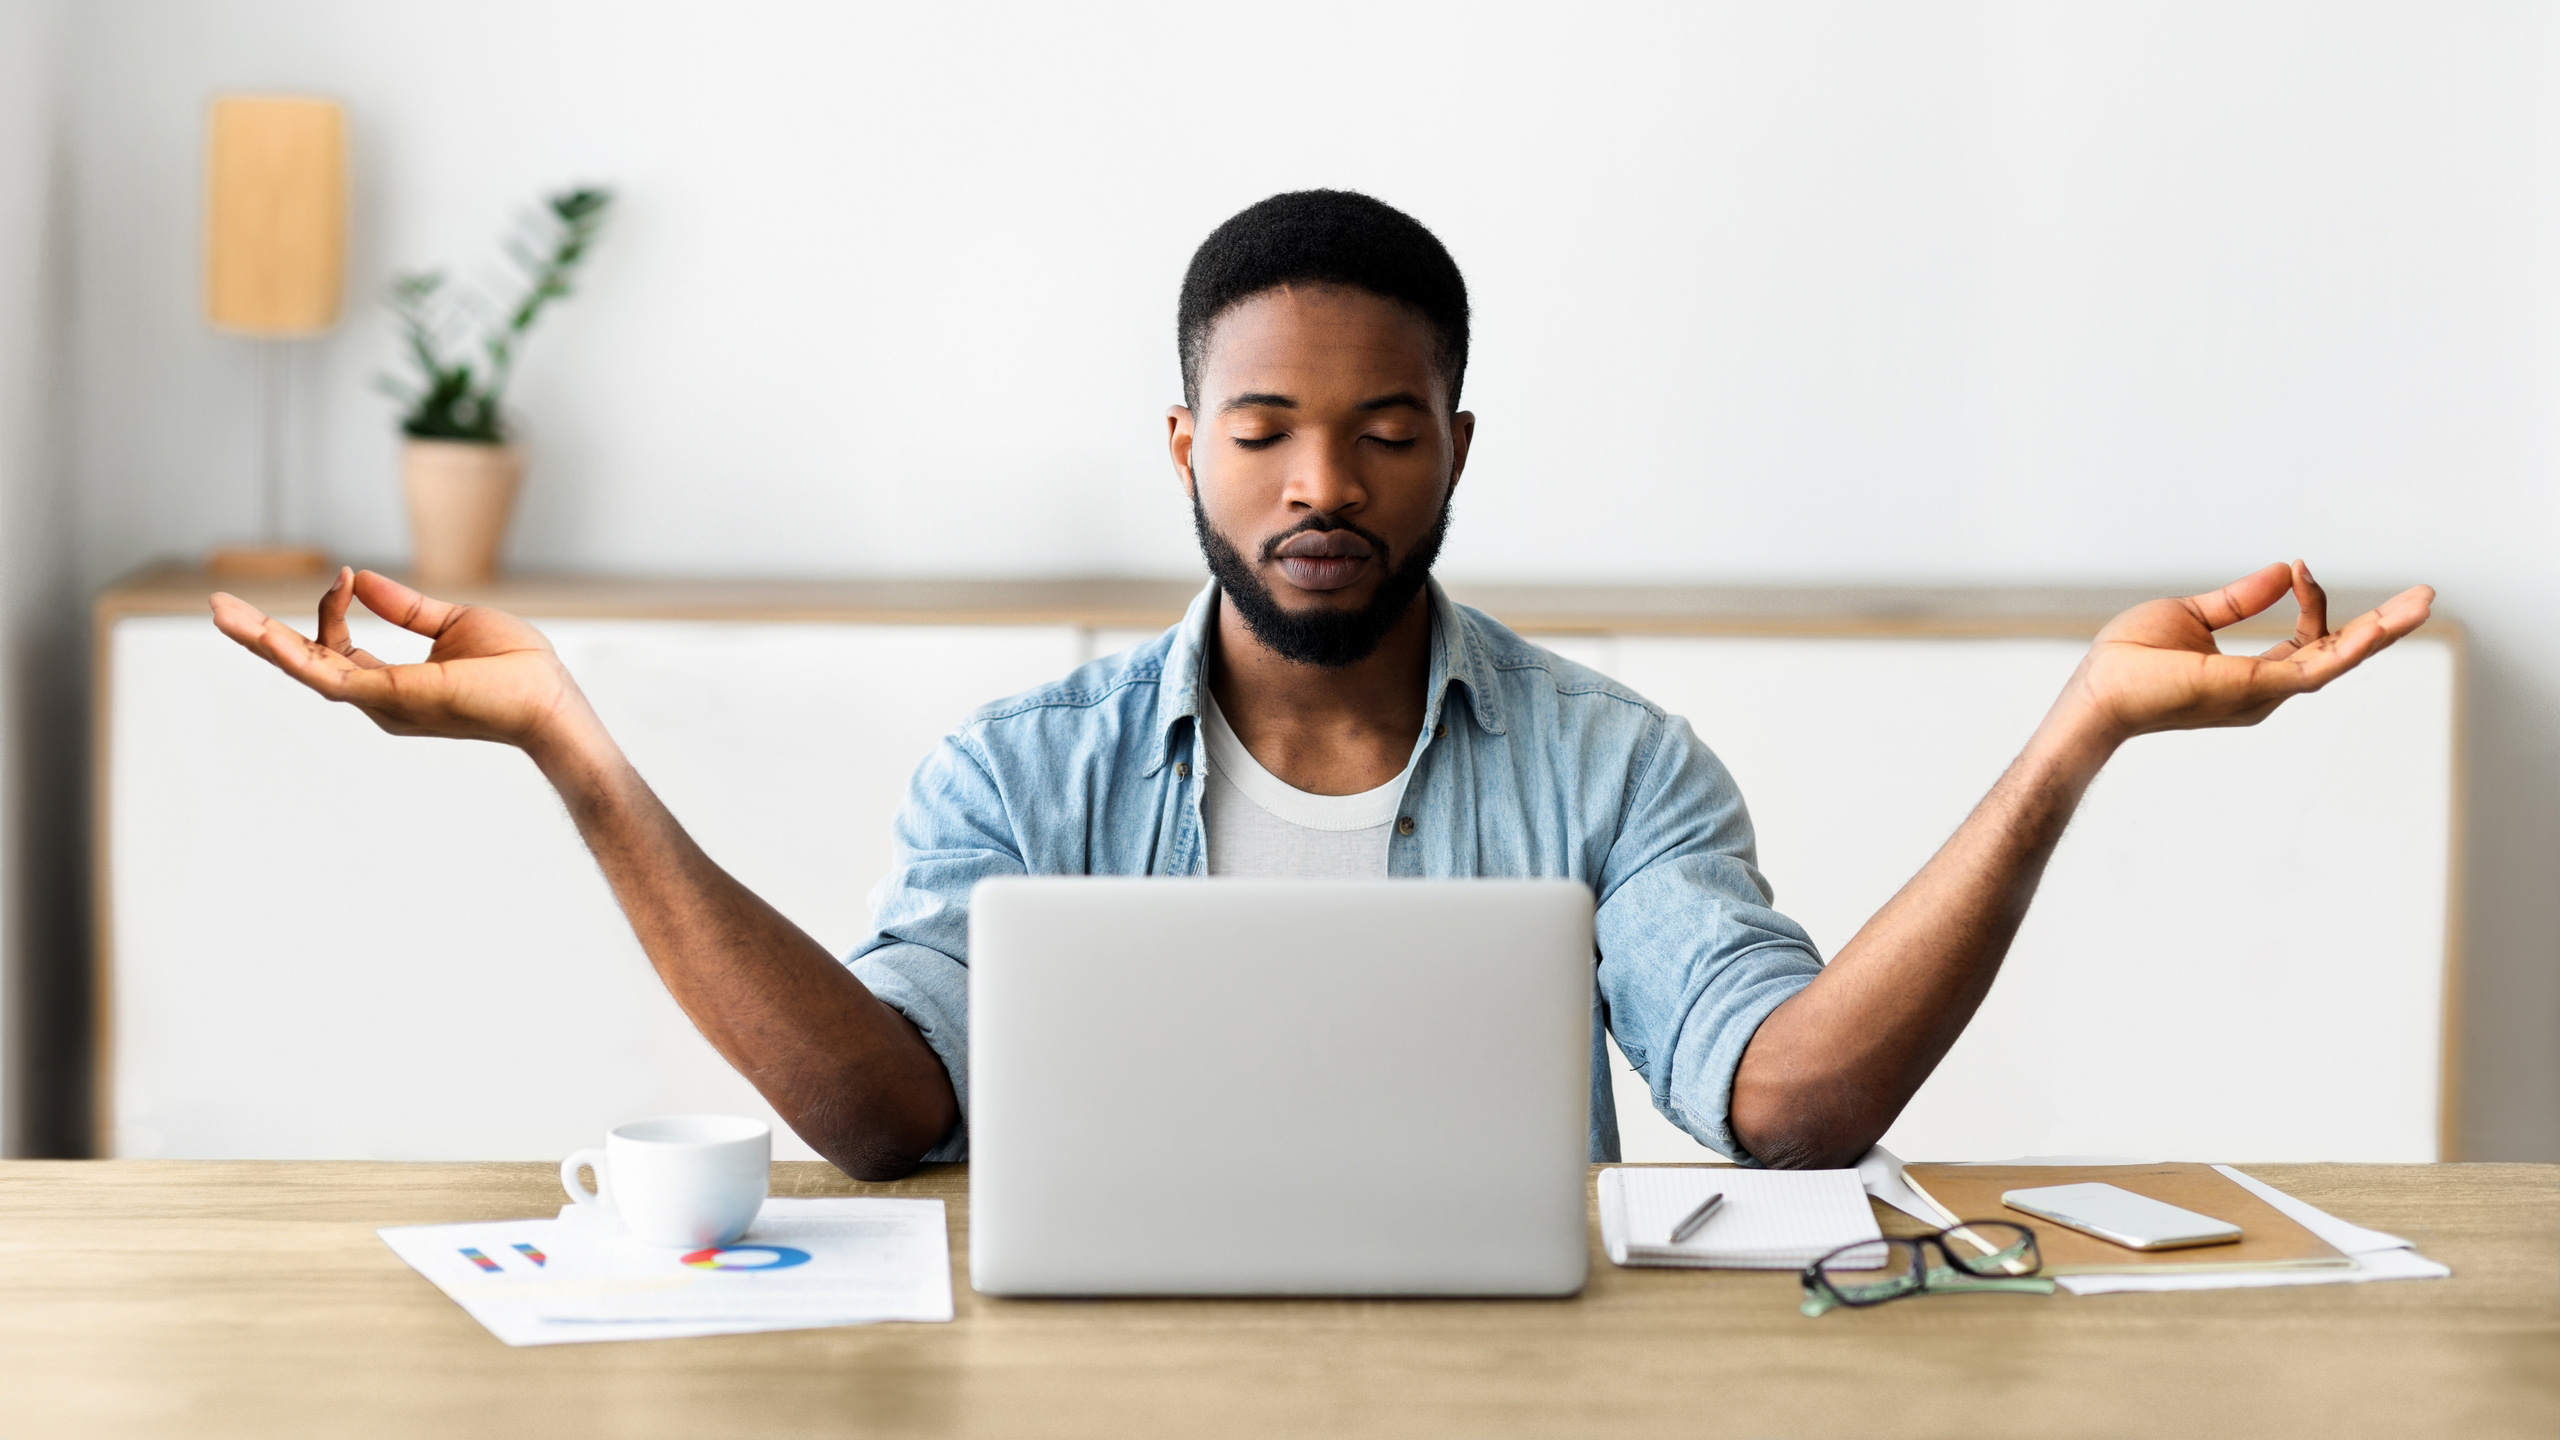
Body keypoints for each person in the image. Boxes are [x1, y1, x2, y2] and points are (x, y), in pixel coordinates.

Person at [210, 190, 2434, 1179]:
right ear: (1184, 449)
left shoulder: (1609, 761)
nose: (1320, 482)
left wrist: (2067, 741)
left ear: (1455, 448)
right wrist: (577, 755)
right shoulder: (1025, 762)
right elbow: (888, 1116)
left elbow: (1784, 1108)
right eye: (1261, 428)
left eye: (1385, 428)